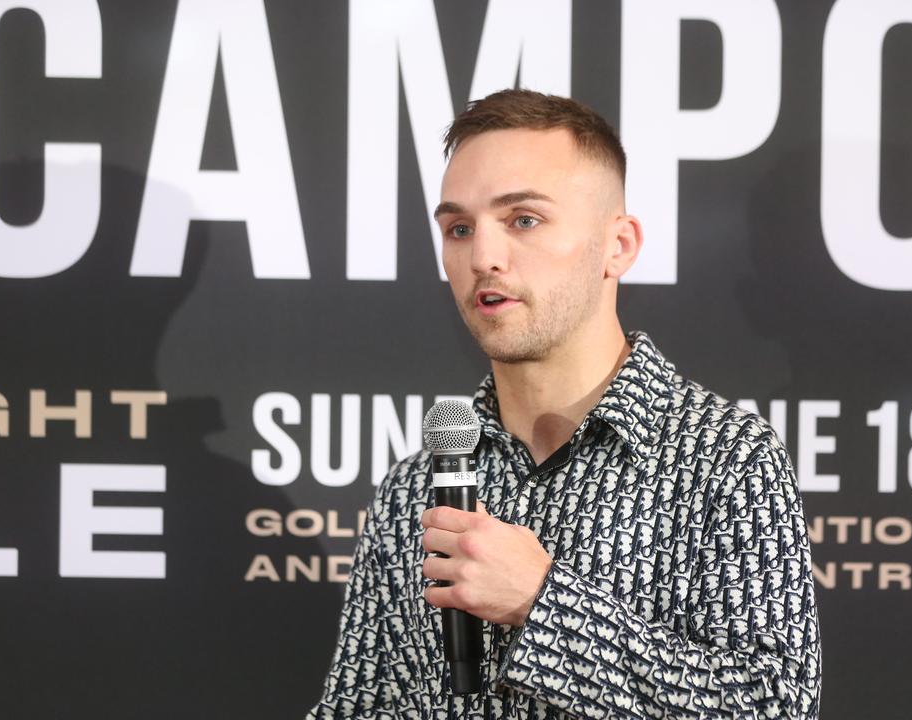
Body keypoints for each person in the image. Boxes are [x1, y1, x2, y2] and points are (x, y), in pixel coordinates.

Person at [308, 89, 821, 718]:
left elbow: (773, 706)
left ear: (619, 245)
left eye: (523, 219)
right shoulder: (414, 490)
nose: (483, 258)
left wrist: (545, 605)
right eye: (459, 228)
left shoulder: (724, 457)